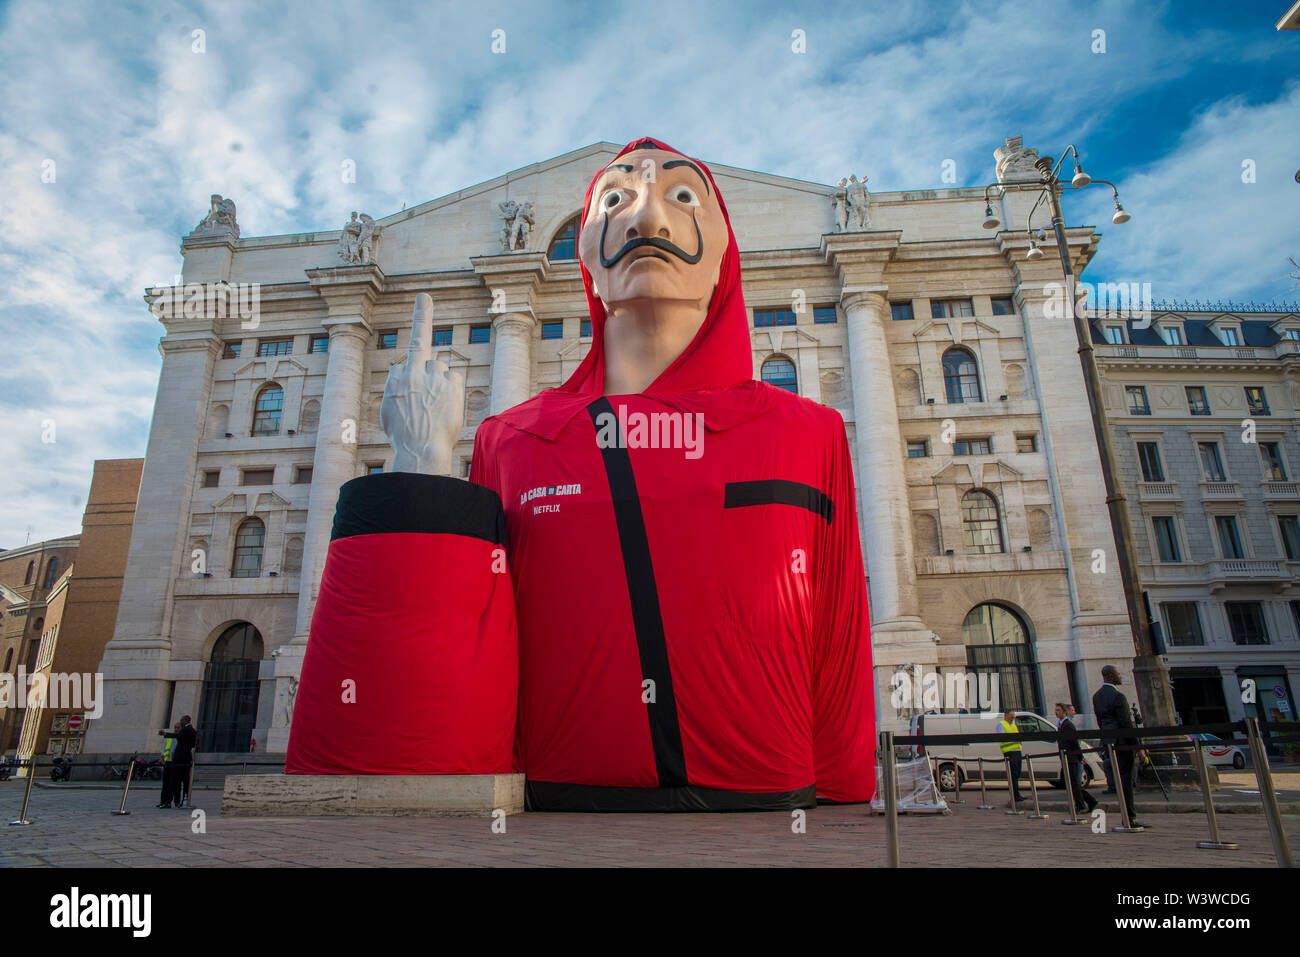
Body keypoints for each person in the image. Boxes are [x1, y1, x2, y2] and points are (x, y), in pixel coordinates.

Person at [286, 137, 876, 811]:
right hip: (556, 820)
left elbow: (838, 638)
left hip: (768, 824)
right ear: (585, 258)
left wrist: (843, 795)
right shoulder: (510, 440)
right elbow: (470, 651)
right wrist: (418, 478)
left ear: (725, 258)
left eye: (682, 197)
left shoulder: (809, 431)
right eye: (615, 200)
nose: (647, 219)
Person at [1092, 666, 1143, 827]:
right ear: (1111, 676)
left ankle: (1128, 816)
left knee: (1119, 779)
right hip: (1122, 743)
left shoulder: (1097, 696)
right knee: (1126, 780)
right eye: (1118, 673)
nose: (1120, 676)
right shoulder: (1118, 696)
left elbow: (1100, 721)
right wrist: (1138, 747)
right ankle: (1130, 817)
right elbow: (1126, 723)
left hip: (1108, 742)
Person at [1055, 702, 1097, 813]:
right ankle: (1089, 801)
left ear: (1064, 712)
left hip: (1071, 757)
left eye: (1058, 710)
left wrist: (1080, 756)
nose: (1056, 712)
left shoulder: (1068, 725)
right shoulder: (1061, 724)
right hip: (1066, 757)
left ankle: (1082, 805)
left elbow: (1074, 742)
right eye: (1056, 710)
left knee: (1074, 783)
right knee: (1072, 783)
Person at [159, 716, 197, 808]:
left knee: (174, 781)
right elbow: (192, 744)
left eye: (182, 721)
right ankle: (182, 801)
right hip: (185, 759)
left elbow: (177, 735)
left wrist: (165, 734)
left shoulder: (186, 730)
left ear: (186, 721)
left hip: (179, 759)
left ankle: (170, 802)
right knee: (182, 781)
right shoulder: (192, 731)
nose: (181, 722)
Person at [998, 708, 1024, 803]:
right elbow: (1001, 738)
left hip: (1017, 751)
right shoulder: (1001, 725)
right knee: (1013, 774)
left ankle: (1017, 794)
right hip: (1009, 752)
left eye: (1013, 716)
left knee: (1017, 773)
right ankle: (1015, 795)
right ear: (1006, 715)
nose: (1013, 717)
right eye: (1011, 716)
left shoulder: (1013, 724)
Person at [156, 721, 179, 809]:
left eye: (178, 727)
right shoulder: (170, 737)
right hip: (168, 762)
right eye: (175, 727)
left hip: (176, 763)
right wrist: (164, 760)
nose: (176, 729)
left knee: (173, 783)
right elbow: (165, 749)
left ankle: (171, 801)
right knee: (165, 783)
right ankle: (163, 801)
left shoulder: (180, 738)